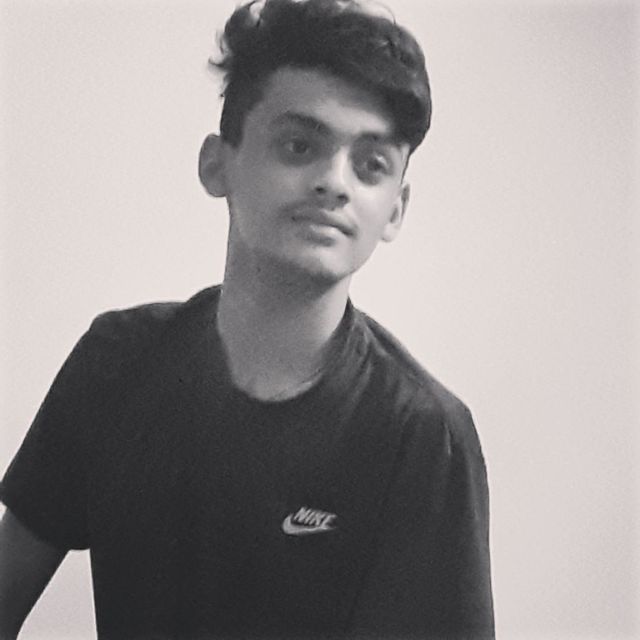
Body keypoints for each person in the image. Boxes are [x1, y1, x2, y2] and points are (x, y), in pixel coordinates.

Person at [0, 0, 494, 638]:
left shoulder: (422, 436)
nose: (334, 182)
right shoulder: (116, 363)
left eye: (370, 165)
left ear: (394, 210)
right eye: (299, 145)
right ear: (217, 164)